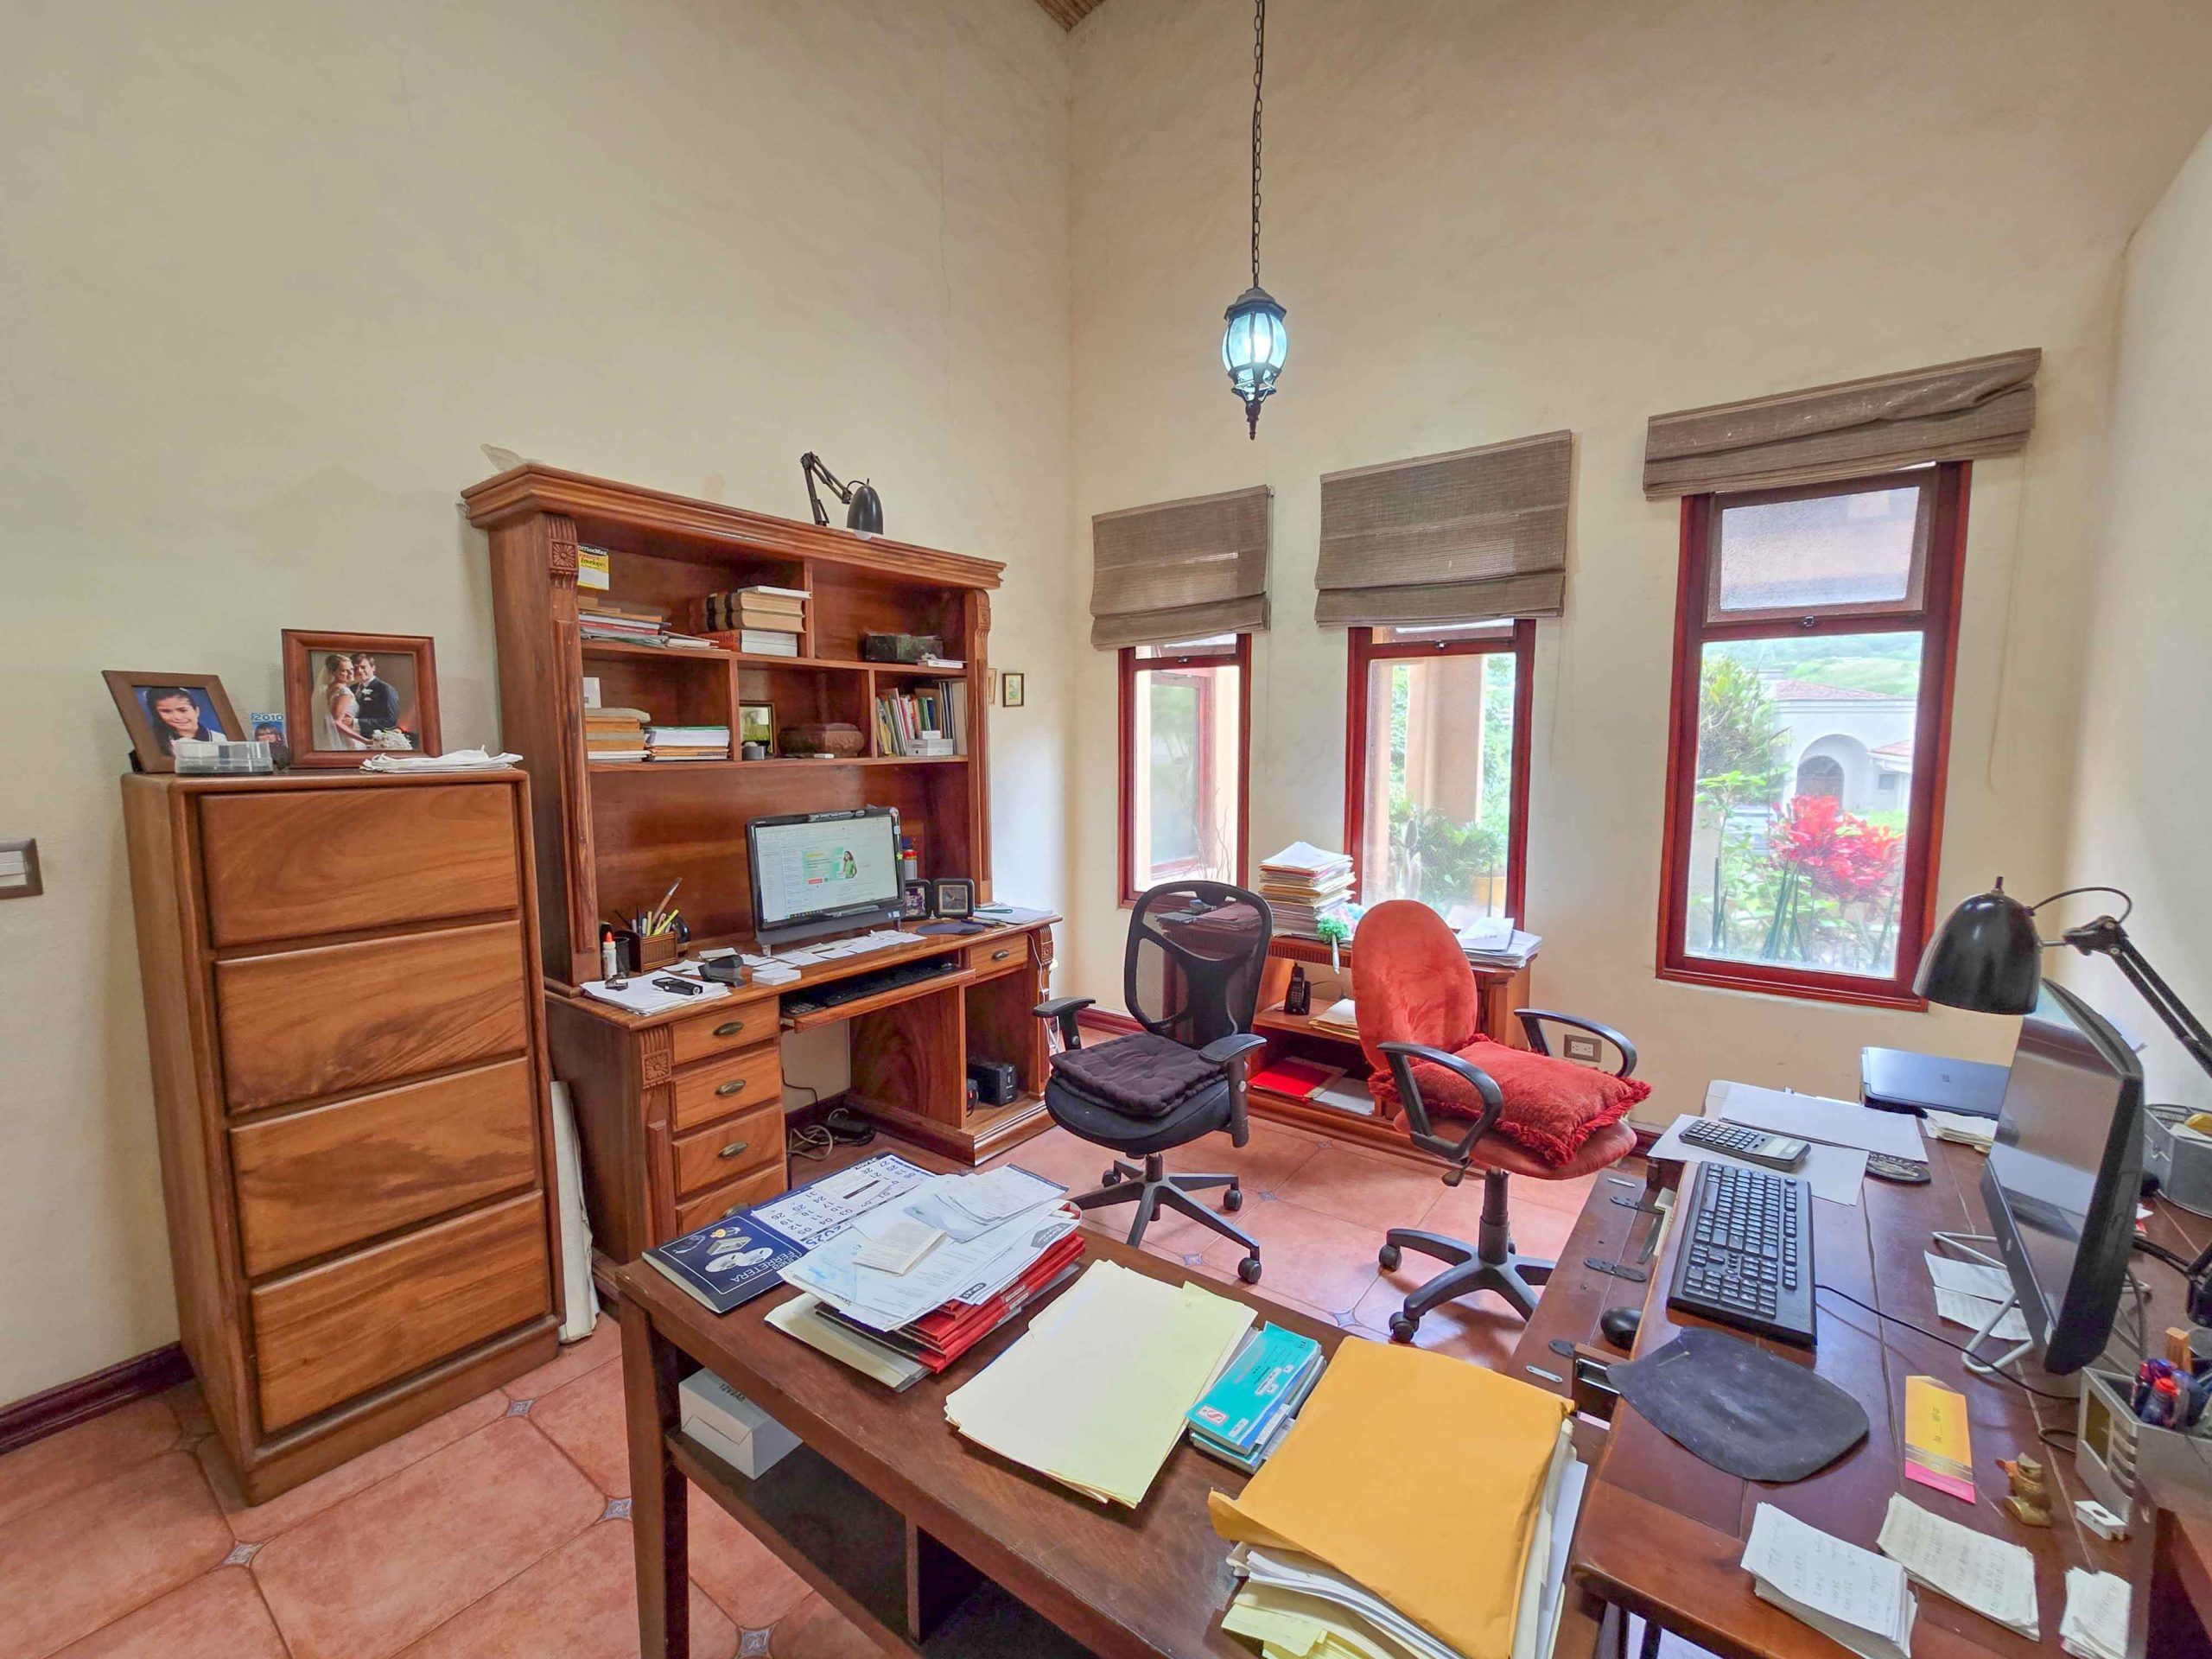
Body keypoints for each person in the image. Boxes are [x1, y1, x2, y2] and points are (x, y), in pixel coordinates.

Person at [144, 686, 223, 757]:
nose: (177, 717)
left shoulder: (220, 739)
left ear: (196, 711)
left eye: (183, 710)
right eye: (166, 711)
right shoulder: (153, 743)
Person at [351, 652, 404, 746]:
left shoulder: (385, 689)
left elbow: (390, 720)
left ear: (373, 668)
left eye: (363, 667)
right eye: (355, 668)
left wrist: (356, 722)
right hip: (353, 738)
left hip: (376, 741)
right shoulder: (352, 689)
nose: (359, 671)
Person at [317, 655, 367, 751]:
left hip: (330, 735)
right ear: (333, 672)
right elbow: (336, 722)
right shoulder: (344, 692)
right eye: (344, 670)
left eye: (351, 669)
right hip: (343, 738)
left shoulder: (330, 688)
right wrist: (365, 740)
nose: (350, 673)